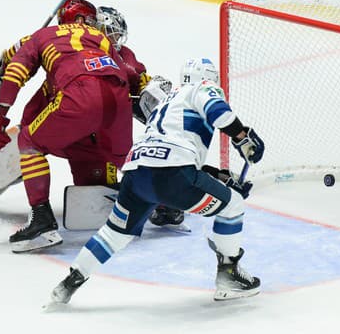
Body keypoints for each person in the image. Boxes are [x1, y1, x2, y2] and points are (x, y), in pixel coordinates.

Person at [49, 57, 265, 304]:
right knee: (233, 205)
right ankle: (230, 276)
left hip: (137, 174)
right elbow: (217, 111)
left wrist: (218, 177)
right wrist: (242, 136)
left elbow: (167, 155)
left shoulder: (169, 99)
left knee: (114, 233)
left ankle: (70, 282)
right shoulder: (202, 87)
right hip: (173, 175)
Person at [0, 0, 144, 253]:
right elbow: (129, 77)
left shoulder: (42, 35)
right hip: (117, 105)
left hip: (78, 97)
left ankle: (42, 221)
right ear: (83, 21)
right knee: (124, 159)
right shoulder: (101, 40)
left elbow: (14, 69)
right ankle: (165, 201)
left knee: (29, 142)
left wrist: (1, 113)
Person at [96, 6, 186, 230]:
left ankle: (163, 200)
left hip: (114, 120)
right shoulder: (89, 50)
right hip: (92, 115)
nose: (116, 37)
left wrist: (152, 89)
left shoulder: (125, 54)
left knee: (125, 155)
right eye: (112, 32)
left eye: (118, 33)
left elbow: (141, 79)